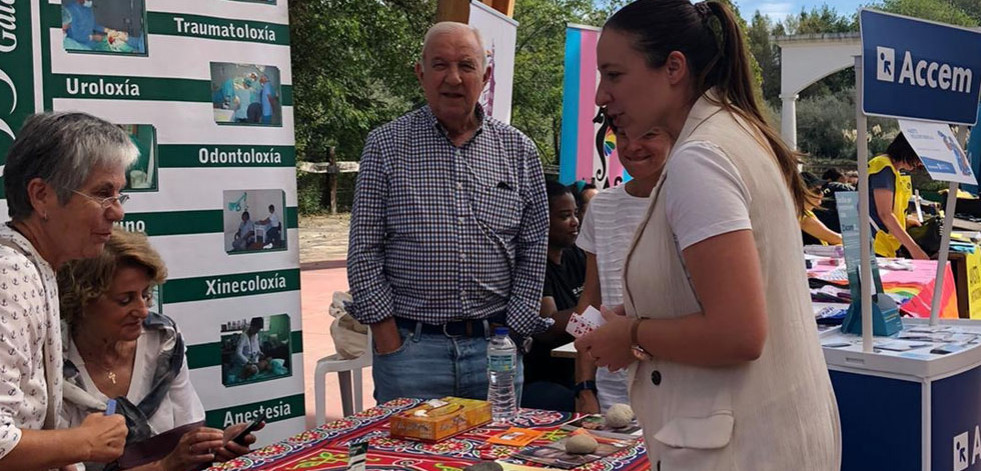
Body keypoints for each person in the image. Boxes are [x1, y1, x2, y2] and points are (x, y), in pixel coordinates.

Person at [574, 1, 840, 469]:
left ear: (674, 67)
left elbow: (739, 333)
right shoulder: (734, 135)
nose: (600, 96)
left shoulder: (701, 158)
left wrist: (632, 335)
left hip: (738, 450)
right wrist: (638, 319)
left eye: (614, 75)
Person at [347, 21, 549, 403]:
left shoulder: (519, 150)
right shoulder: (385, 145)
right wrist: (388, 336)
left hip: (496, 348)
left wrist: (518, 329)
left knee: (494, 458)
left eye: (466, 66)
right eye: (440, 65)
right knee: (407, 460)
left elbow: (534, 247)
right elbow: (363, 248)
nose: (453, 78)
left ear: (486, 76)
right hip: (411, 351)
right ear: (420, 74)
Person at [58, 229, 260, 470]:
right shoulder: (52, 362)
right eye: (125, 300)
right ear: (82, 300)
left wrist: (212, 448)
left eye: (146, 295)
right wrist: (164, 467)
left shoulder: (162, 339)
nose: (142, 311)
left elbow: (188, 431)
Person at [0, 111, 131, 470]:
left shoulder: (33, 264)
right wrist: (84, 443)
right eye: (103, 194)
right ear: (41, 196)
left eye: (120, 194)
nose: (117, 212)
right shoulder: (11, 275)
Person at [574, 124, 673, 414]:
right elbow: (591, 299)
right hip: (612, 387)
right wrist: (584, 385)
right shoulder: (601, 206)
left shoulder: (691, 202)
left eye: (648, 134)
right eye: (624, 135)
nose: (632, 146)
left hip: (679, 385)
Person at [522, 181, 585, 412]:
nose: (575, 222)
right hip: (544, 378)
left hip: (580, 368)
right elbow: (548, 325)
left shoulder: (576, 256)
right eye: (564, 216)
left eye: (576, 213)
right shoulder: (533, 264)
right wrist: (595, 308)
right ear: (541, 221)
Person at [869, 133, 928, 259]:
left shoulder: (892, 171)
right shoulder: (883, 168)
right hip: (875, 245)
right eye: (918, 158)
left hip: (884, 246)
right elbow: (885, 214)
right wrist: (915, 250)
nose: (919, 165)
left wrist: (905, 221)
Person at [800, 172, 842, 246]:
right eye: (817, 191)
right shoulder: (801, 216)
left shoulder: (807, 213)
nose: (822, 194)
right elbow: (835, 238)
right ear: (801, 193)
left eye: (822, 189)